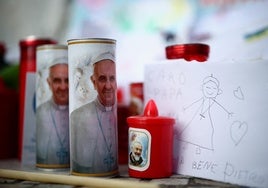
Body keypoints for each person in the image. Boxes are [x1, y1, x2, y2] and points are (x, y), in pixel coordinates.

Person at [70, 52, 118, 176]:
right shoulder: (77, 117)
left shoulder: (121, 115)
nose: (108, 85)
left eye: (112, 78)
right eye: (102, 79)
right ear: (93, 81)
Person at [36, 61, 69, 168]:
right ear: (49, 83)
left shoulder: (80, 115)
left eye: (67, 80)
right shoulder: (41, 112)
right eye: (57, 81)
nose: (63, 87)